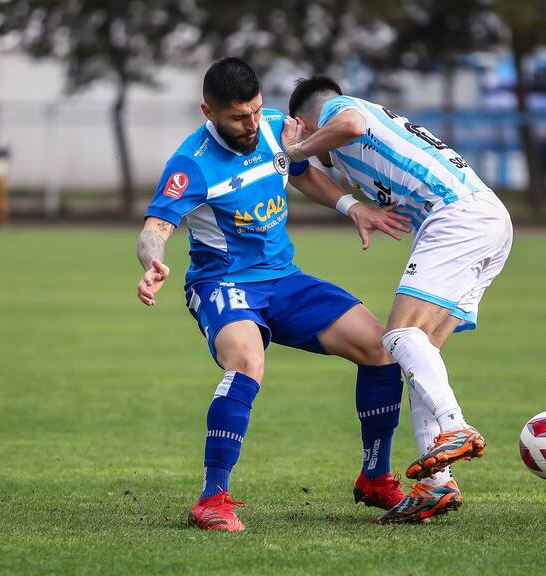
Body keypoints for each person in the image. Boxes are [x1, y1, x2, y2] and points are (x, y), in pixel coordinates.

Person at [136, 58, 413, 532]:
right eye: (237, 118)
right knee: (246, 360)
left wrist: (351, 207)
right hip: (221, 283)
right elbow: (154, 227)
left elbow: (300, 171)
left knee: (381, 348)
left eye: (255, 111)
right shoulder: (192, 163)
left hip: (284, 279)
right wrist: (152, 261)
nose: (250, 125)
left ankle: (375, 475)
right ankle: (212, 498)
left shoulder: (274, 129)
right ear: (209, 110)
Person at [284, 76, 513, 523]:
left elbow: (347, 124)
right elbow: (317, 175)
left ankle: (455, 425)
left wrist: (297, 149)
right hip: (487, 220)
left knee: (399, 336)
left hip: (457, 217)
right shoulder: (355, 156)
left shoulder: (340, 109)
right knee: (418, 356)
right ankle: (435, 484)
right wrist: (357, 207)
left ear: (307, 121)